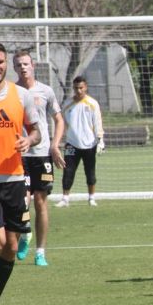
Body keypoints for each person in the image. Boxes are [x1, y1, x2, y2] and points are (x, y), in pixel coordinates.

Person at [0, 41, 41, 305]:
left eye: (1, 62)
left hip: (15, 180)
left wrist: (28, 140)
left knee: (12, 247)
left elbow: (37, 131)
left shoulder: (21, 96)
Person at [13, 50, 65, 267]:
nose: (23, 67)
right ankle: (25, 235)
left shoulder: (45, 91)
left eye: (26, 63)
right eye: (18, 65)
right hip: (19, 155)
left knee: (41, 203)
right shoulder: (11, 92)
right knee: (22, 202)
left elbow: (59, 119)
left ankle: (41, 252)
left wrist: (54, 145)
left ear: (32, 65)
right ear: (14, 68)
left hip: (42, 154)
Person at [55, 76, 103, 207]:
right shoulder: (67, 104)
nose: (79, 90)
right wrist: (59, 140)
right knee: (68, 170)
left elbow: (97, 122)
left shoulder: (92, 104)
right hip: (72, 143)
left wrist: (100, 140)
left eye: (81, 88)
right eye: (76, 88)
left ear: (86, 87)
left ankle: (91, 198)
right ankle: (65, 198)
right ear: (73, 88)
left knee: (90, 171)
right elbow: (61, 122)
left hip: (90, 144)